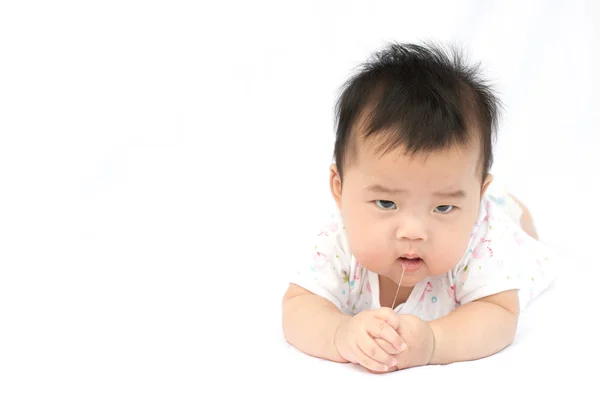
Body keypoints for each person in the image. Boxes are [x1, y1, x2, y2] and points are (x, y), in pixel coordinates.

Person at [281, 41, 555, 373]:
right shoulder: (337, 239)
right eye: (386, 202)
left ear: (476, 199)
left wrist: (434, 341)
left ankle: (508, 208)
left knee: (521, 234)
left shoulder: (480, 242)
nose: (413, 231)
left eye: (443, 208)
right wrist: (340, 333)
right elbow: (298, 307)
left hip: (499, 228)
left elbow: (499, 312)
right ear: (340, 190)